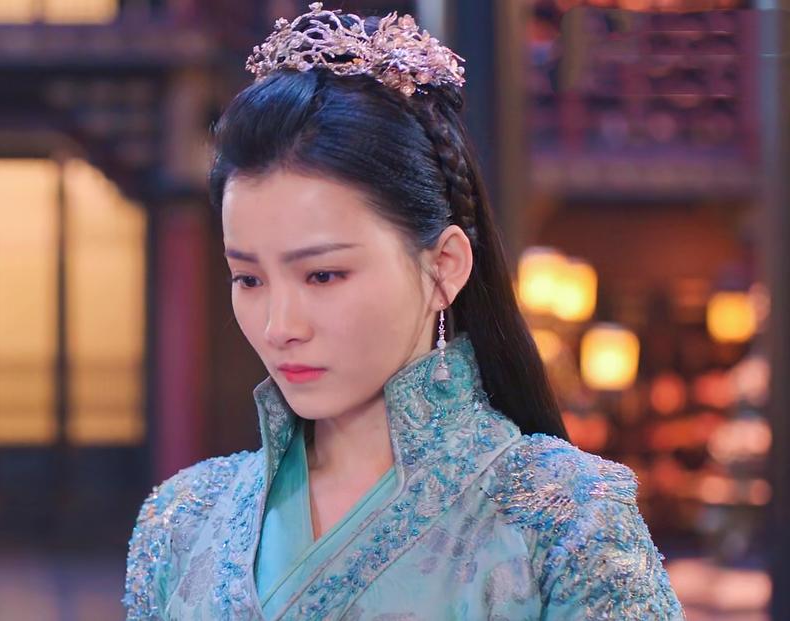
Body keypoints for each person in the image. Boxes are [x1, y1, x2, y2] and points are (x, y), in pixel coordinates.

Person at [123, 3, 685, 619]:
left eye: (323, 275)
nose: (280, 326)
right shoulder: (183, 519)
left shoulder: (565, 521)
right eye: (249, 279)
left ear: (444, 266)